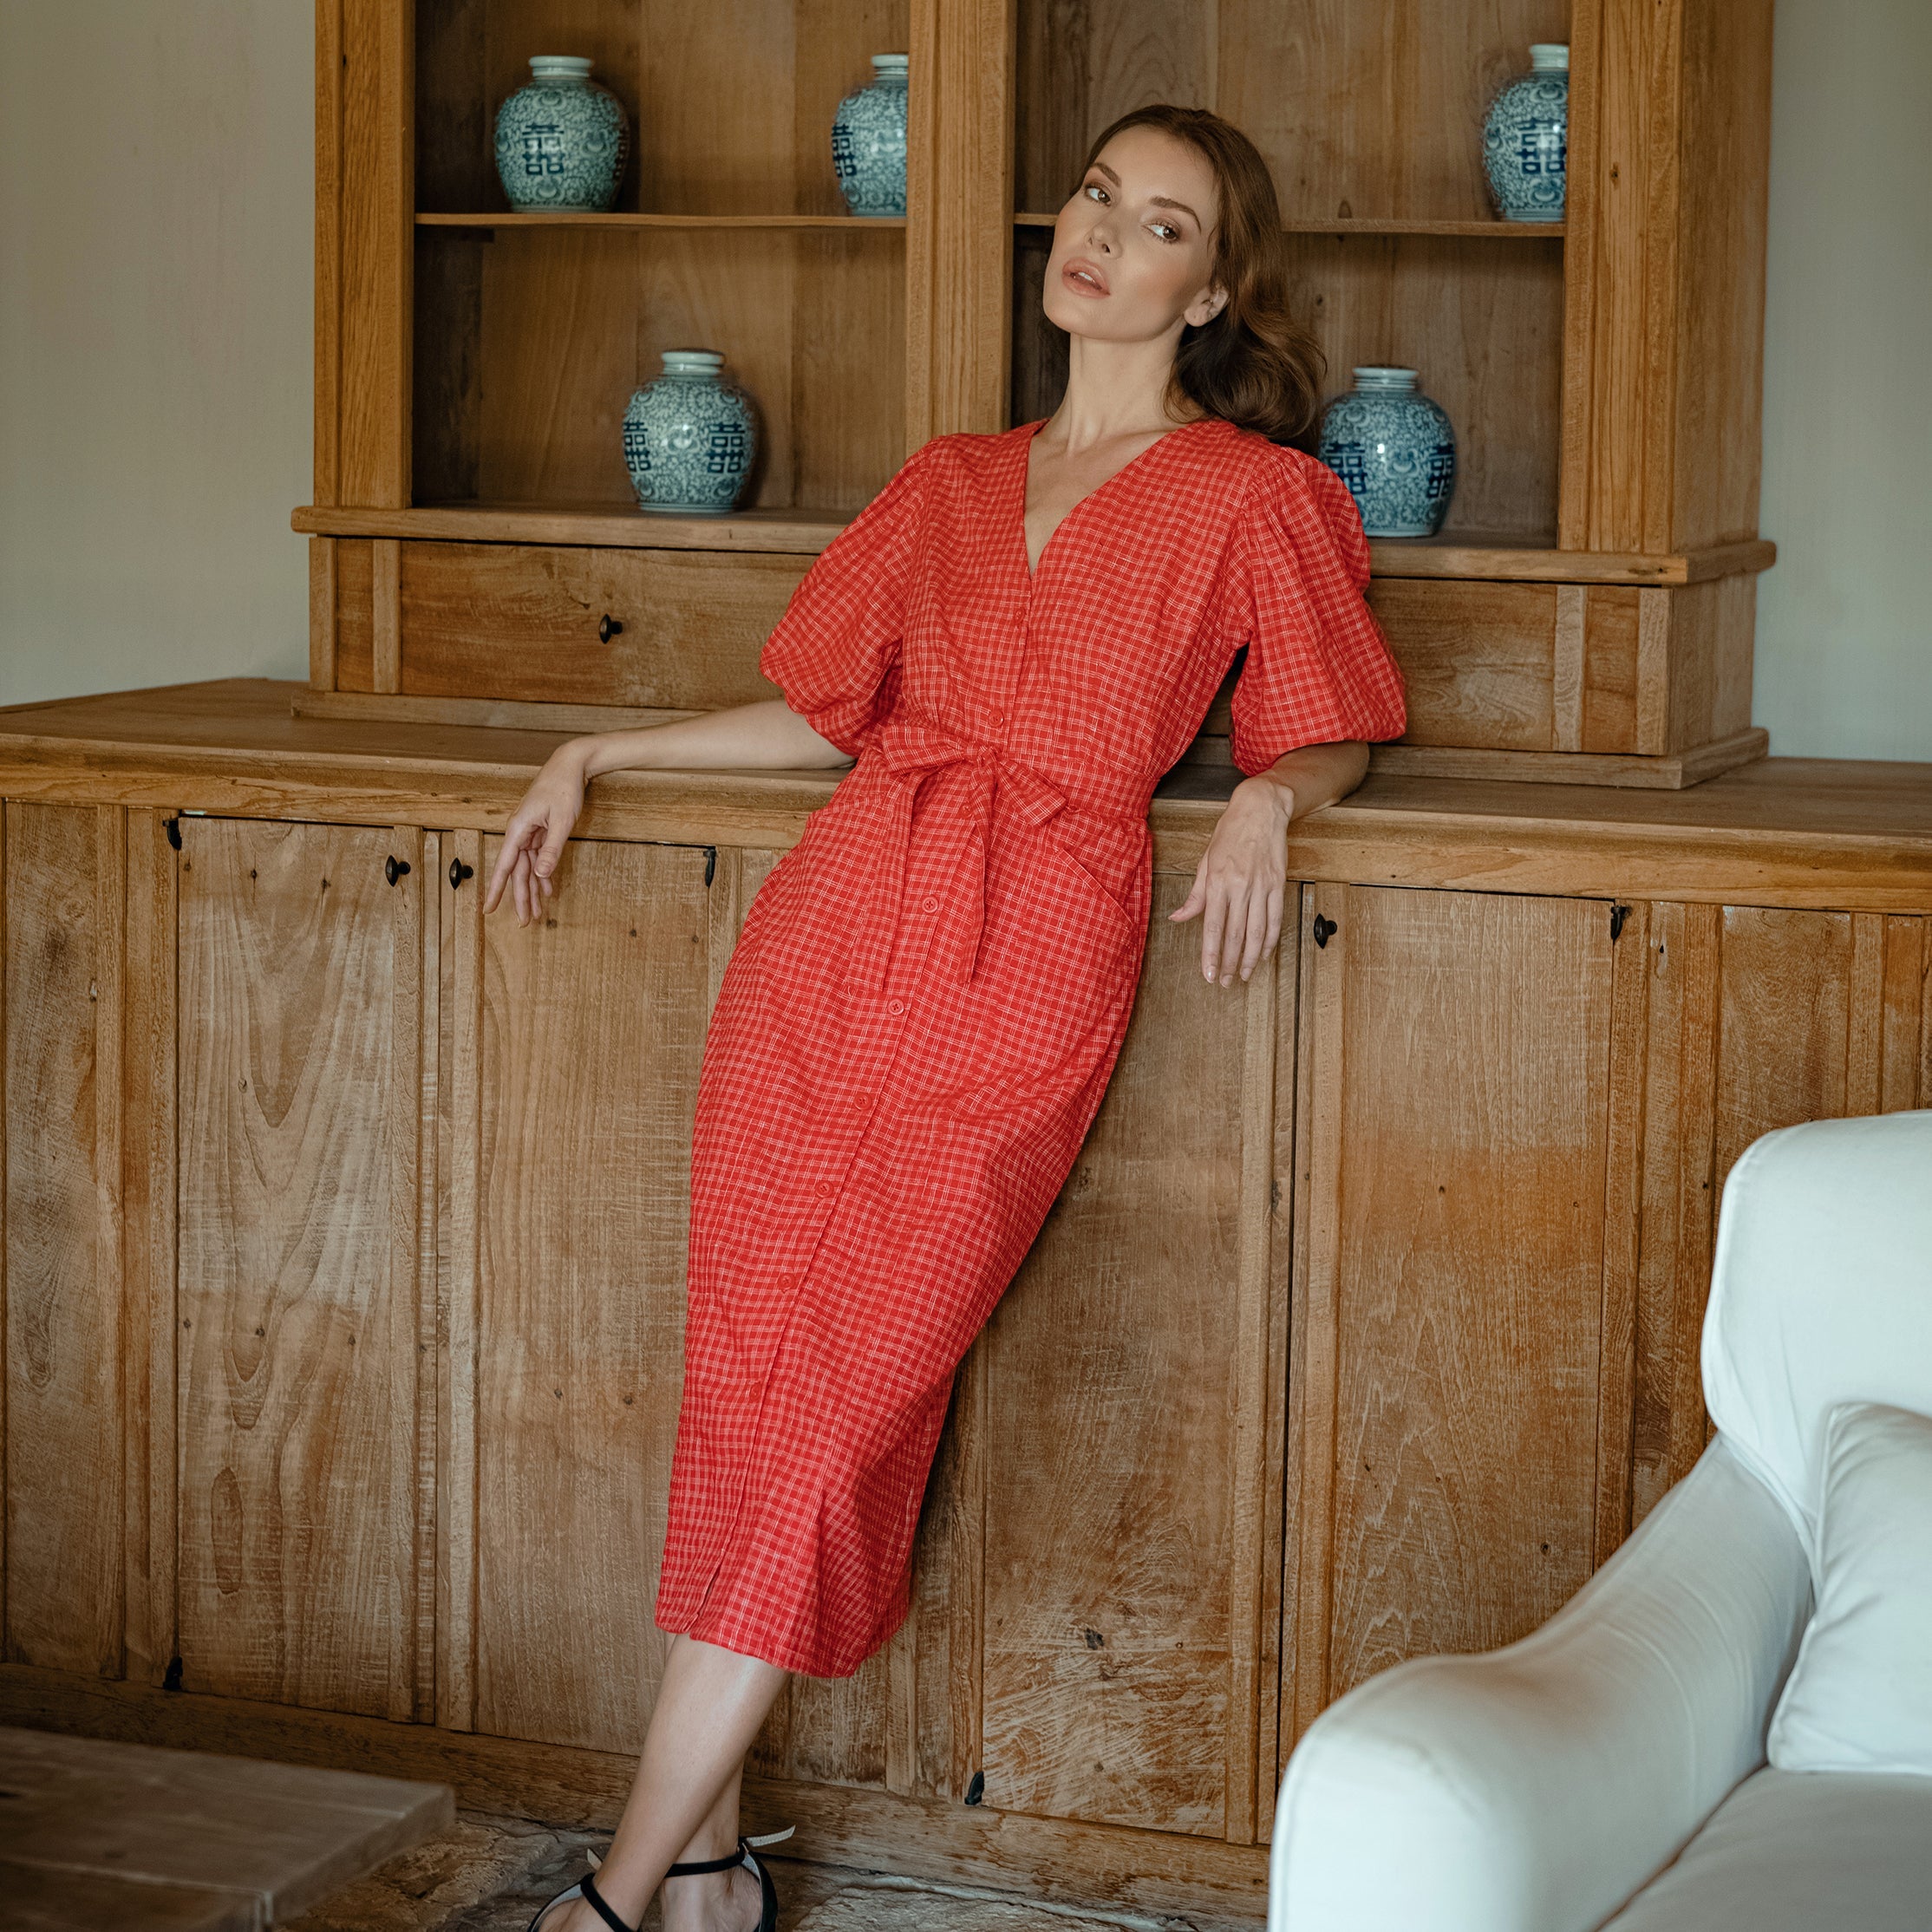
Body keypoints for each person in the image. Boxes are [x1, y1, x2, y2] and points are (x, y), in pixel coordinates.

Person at [494, 102, 1406, 1932]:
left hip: (1032, 949)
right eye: (1092, 199)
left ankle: (610, 1892)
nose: (1100, 239)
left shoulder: (1259, 493)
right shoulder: (942, 481)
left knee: (841, 1406)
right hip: (830, 937)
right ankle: (717, 1874)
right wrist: (600, 744)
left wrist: (1259, 796)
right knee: (750, 1393)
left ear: (1211, 285)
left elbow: (1335, 715)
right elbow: (829, 714)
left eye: (1157, 225)